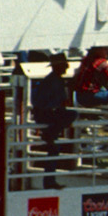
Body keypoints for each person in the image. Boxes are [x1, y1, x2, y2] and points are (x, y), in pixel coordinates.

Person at [31, 53, 74, 188]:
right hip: (48, 116)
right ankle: (49, 181)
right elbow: (47, 103)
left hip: (46, 116)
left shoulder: (51, 80)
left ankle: (49, 181)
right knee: (54, 147)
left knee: (53, 149)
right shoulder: (54, 81)